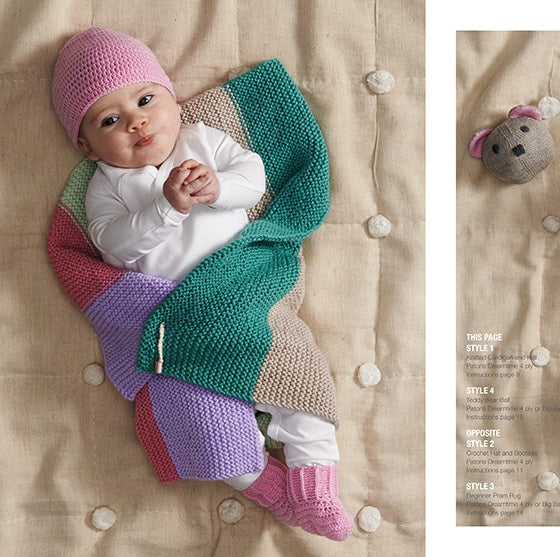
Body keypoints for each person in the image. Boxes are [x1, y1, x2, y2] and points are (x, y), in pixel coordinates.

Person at [52, 27, 352, 540]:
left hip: (242, 291)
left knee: (297, 372)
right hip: (176, 320)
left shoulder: (201, 141)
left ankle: (315, 482)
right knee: (199, 425)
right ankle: (269, 487)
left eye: (146, 100)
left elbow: (253, 177)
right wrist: (166, 208)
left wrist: (219, 187)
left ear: (172, 98)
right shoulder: (105, 188)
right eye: (110, 120)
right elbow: (115, 245)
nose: (136, 122)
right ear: (87, 146)